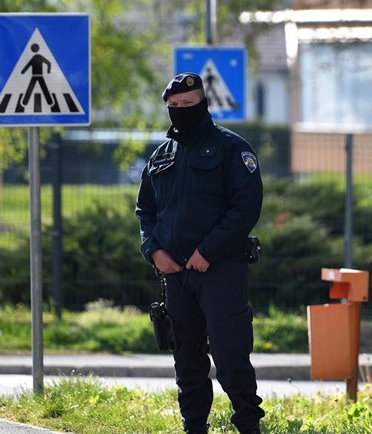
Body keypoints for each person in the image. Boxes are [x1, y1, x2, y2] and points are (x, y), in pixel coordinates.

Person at [135, 72, 265, 434]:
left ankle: (249, 425)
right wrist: (154, 250)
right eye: (173, 106)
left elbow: (245, 208)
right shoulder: (162, 156)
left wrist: (208, 250)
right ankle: (194, 427)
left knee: (229, 356)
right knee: (187, 361)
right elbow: (145, 210)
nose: (180, 111)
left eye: (187, 104)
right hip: (175, 277)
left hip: (220, 271)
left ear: (203, 104)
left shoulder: (231, 149)